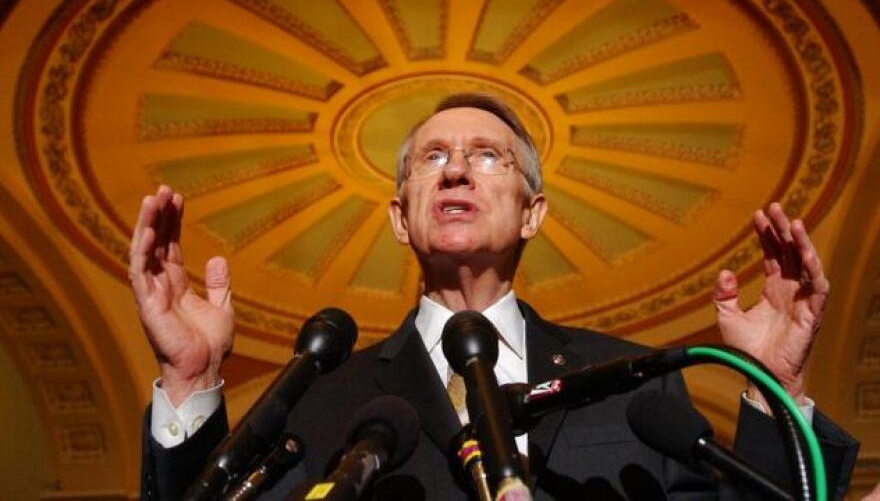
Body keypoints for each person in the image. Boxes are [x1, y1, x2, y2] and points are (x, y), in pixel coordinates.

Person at [134, 93, 858, 499]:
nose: (455, 172)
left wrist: (777, 387)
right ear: (399, 215)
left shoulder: (638, 388)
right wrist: (190, 380)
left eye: (486, 156)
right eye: (432, 160)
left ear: (533, 212)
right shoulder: (325, 398)